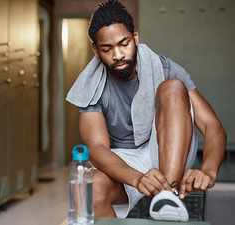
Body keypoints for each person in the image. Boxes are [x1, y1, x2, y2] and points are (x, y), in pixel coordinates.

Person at [66, 0, 227, 222]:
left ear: (135, 37)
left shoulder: (166, 67)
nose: (118, 55)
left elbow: (212, 126)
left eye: (124, 43)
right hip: (123, 160)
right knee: (89, 189)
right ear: (96, 49)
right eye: (107, 49)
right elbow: (97, 148)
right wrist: (137, 178)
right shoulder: (90, 84)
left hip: (168, 147)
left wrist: (208, 171)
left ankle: (167, 196)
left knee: (173, 86)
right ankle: (161, 198)